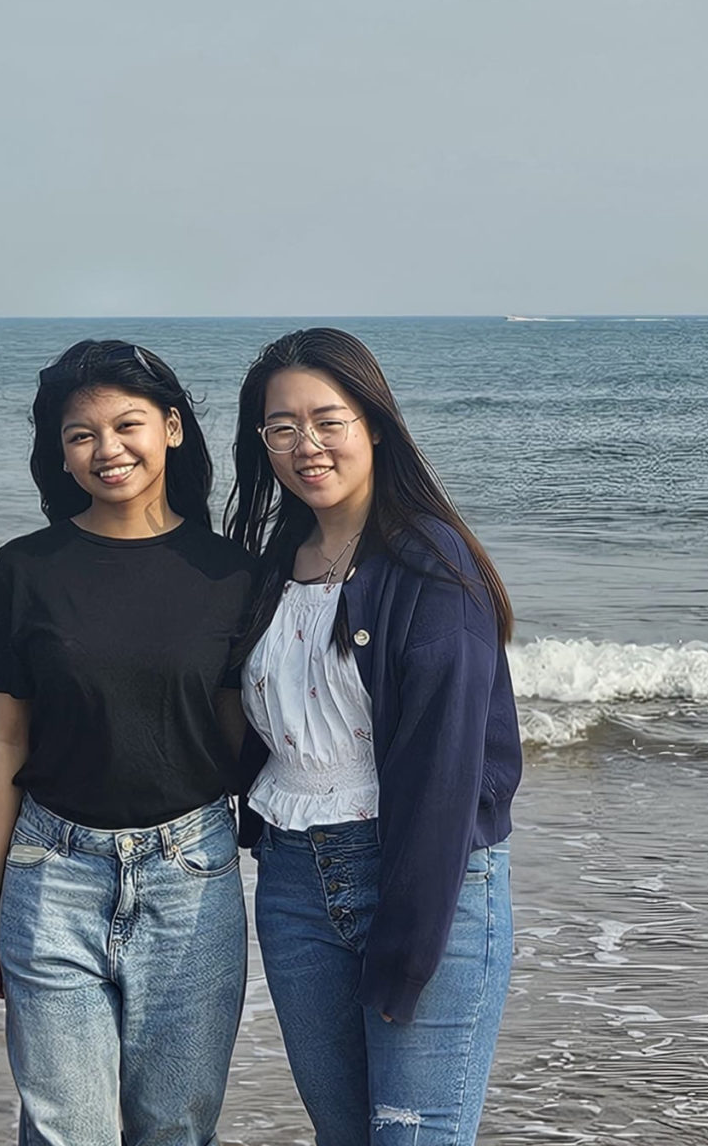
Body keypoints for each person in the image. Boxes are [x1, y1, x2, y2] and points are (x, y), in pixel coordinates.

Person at [224, 327, 522, 1146]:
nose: (305, 446)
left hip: (430, 887)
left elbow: (444, 775)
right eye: (281, 428)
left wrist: (409, 941)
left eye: (328, 420)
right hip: (291, 883)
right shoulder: (274, 561)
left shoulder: (433, 565)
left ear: (375, 424)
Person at [0, 339, 256, 1146]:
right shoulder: (25, 571)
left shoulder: (232, 574)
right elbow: (6, 750)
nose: (107, 450)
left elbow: (246, 737)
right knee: (66, 1133)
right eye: (80, 435)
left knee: (177, 1128)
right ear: (58, 453)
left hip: (193, 874)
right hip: (49, 876)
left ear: (171, 427)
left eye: (127, 425)